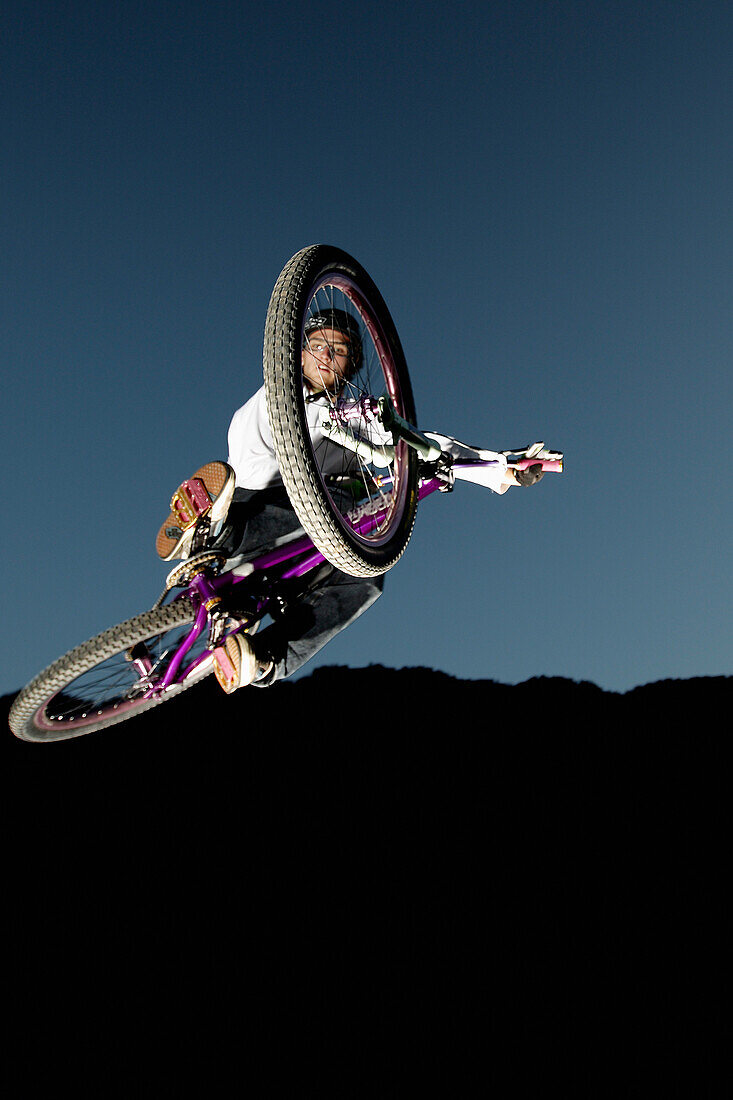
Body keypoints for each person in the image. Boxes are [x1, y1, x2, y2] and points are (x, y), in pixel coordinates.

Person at [209, 308, 545, 693]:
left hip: (287, 543)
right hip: (247, 505)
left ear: (352, 364)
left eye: (338, 350)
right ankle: (215, 529)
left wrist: (501, 468)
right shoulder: (277, 394)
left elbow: (422, 445)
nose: (325, 356)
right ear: (299, 355)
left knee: (365, 572)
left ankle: (264, 658)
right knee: (316, 496)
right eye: (317, 346)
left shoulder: (353, 420)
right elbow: (278, 426)